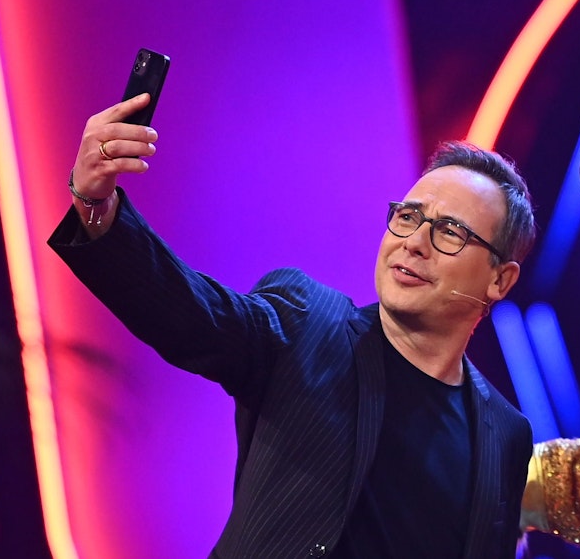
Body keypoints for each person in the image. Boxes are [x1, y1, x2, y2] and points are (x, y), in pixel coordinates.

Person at [47, 93, 537, 558]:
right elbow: (189, 312)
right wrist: (97, 208)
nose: (413, 242)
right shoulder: (309, 326)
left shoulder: (506, 436)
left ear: (500, 278)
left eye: (450, 231)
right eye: (408, 216)